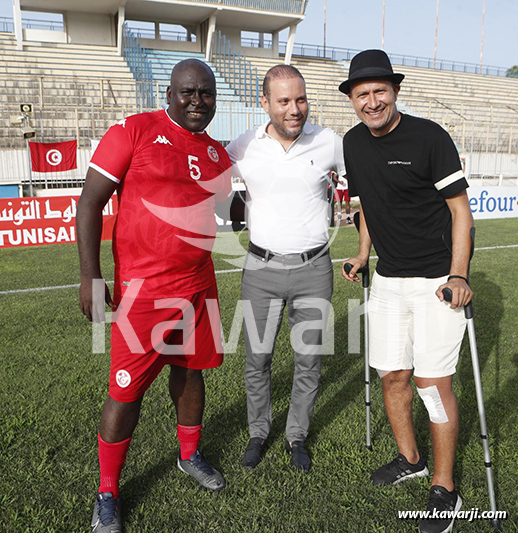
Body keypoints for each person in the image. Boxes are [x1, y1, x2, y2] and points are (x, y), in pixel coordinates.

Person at [77, 59, 232, 533]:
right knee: (125, 393)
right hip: (143, 294)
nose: (197, 101)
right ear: (168, 92)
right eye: (188, 92)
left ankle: (189, 455)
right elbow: (89, 202)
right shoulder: (134, 131)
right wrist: (90, 276)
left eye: (206, 93)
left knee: (191, 374)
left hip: (199, 286)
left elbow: (219, 213)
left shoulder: (216, 154)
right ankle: (107, 490)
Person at [340, 49, 473, 533]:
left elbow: (460, 210)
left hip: (437, 282)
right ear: (352, 100)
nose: (372, 102)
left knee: (431, 385)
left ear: (394, 91)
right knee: (392, 375)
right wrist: (362, 252)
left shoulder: (430, 137)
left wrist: (458, 274)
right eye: (362, 95)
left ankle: (445, 487)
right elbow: (368, 205)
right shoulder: (352, 143)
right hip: (389, 282)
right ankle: (409, 458)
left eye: (379, 92)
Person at [227, 65, 346, 473]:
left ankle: (297, 435)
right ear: (265, 104)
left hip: (314, 270)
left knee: (308, 360)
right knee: (257, 359)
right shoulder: (242, 146)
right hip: (260, 270)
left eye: (300, 99)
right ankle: (258, 432)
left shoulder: (329, 142)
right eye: (283, 101)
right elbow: (202, 181)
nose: (295, 110)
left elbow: (368, 181)